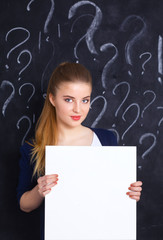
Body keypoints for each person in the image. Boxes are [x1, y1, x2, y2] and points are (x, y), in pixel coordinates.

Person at [17, 62, 142, 240]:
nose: (78, 109)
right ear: (52, 99)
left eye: (85, 100)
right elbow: (24, 205)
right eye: (69, 99)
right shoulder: (33, 148)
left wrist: (130, 194)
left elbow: (112, 197)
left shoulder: (107, 139)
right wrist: (39, 189)